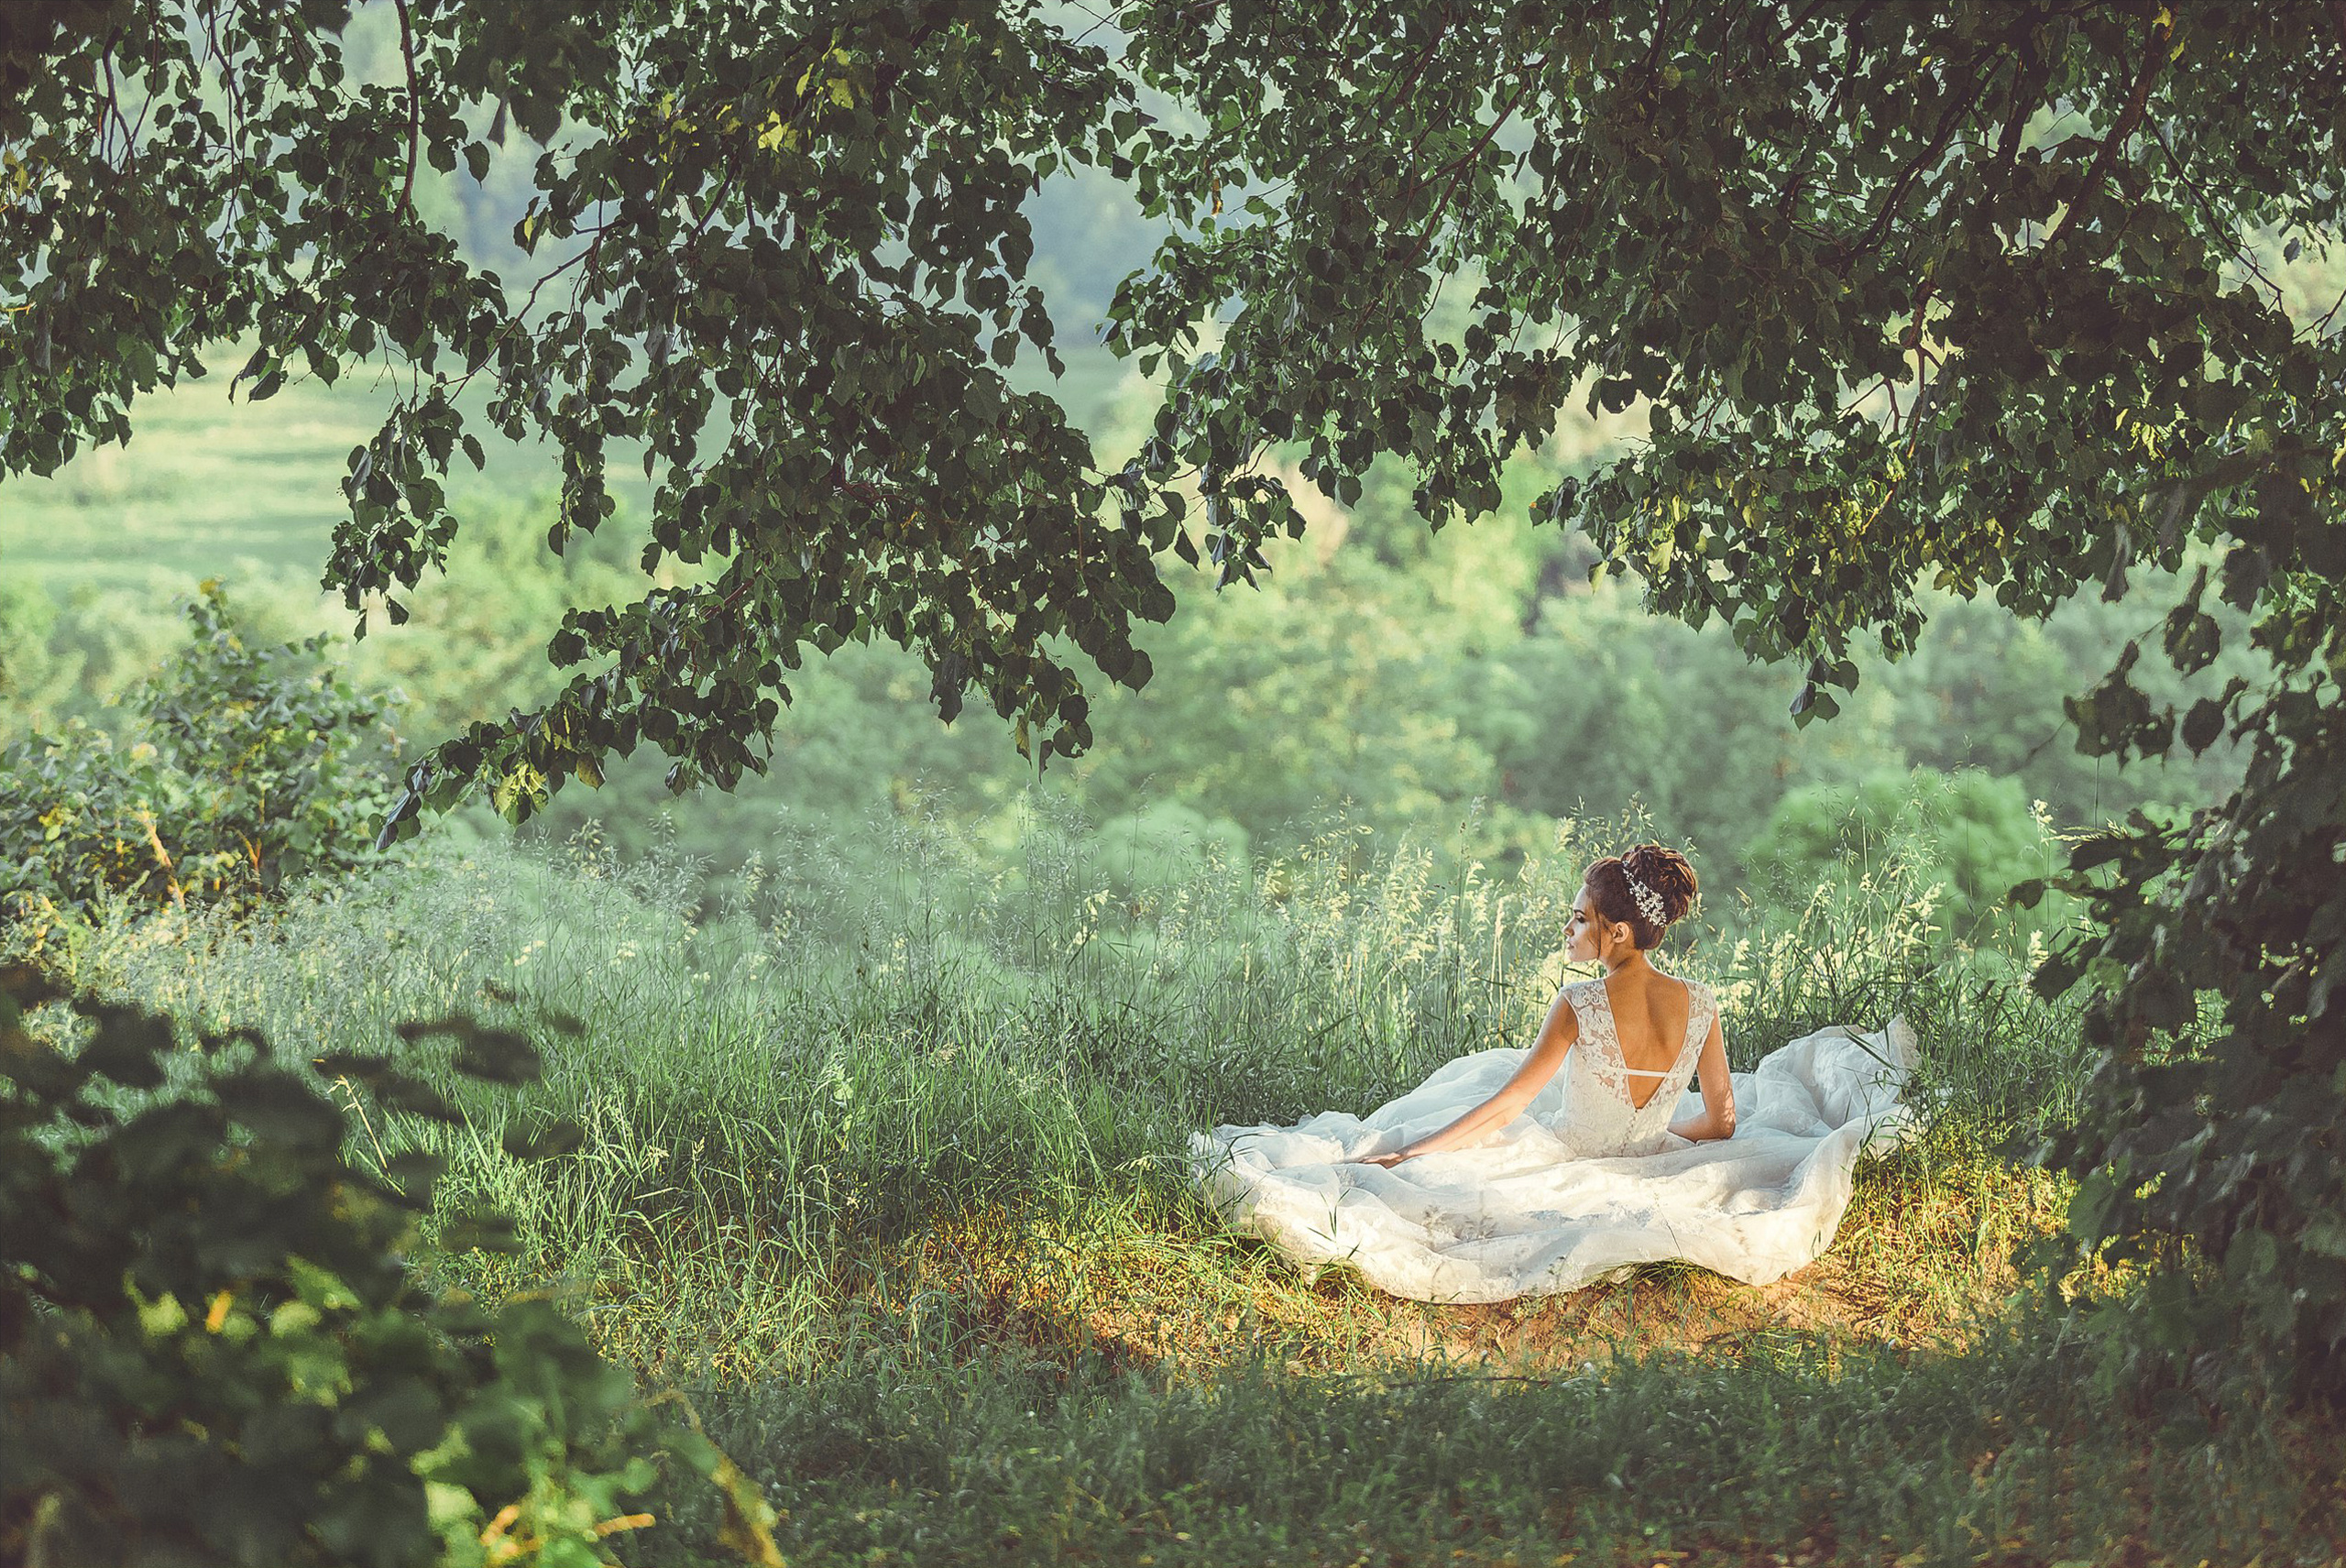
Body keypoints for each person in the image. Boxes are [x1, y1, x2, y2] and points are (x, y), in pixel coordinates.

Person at [1188, 843, 1917, 1304]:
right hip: (1653, 1157)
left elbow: (1508, 1105)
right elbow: (1725, 1122)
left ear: (1618, 931)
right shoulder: (1701, 1003)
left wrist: (1412, 1151)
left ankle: (1394, 1155)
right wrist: (1663, 1137)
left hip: (1569, 1152)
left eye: (1578, 918)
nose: (1567, 929)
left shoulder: (1580, 1003)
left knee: (1411, 1170)